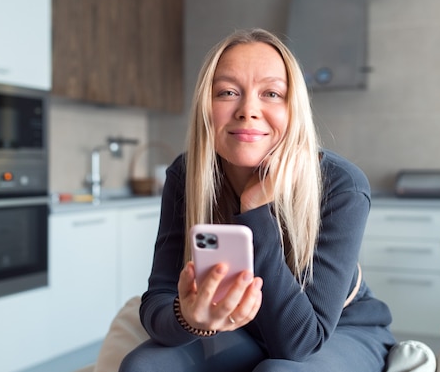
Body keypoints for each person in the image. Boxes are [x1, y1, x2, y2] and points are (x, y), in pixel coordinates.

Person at [120, 28, 395, 372]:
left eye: (271, 93)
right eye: (228, 92)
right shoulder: (187, 175)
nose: (248, 109)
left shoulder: (341, 184)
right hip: (239, 329)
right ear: (207, 105)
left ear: (292, 108)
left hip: (340, 330)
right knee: (143, 365)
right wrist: (188, 317)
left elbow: (299, 343)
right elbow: (157, 299)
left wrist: (255, 209)